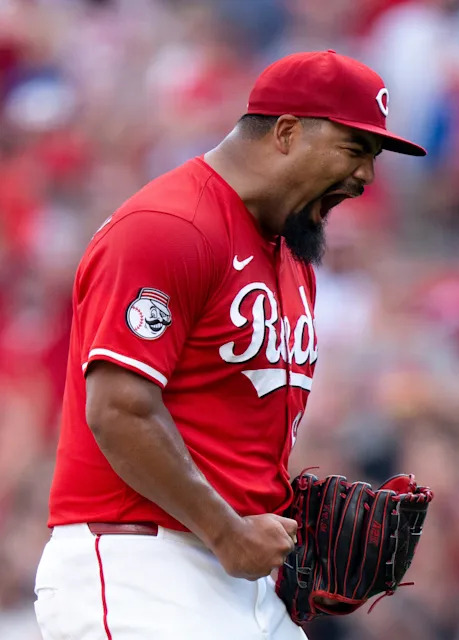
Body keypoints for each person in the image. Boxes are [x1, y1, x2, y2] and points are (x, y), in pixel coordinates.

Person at [32, 50, 426, 640]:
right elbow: (118, 410)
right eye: (354, 149)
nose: (366, 177)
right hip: (140, 565)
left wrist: (278, 511)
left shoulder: (291, 253)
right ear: (288, 132)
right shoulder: (171, 225)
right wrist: (225, 528)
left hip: (236, 574)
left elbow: (221, 422)